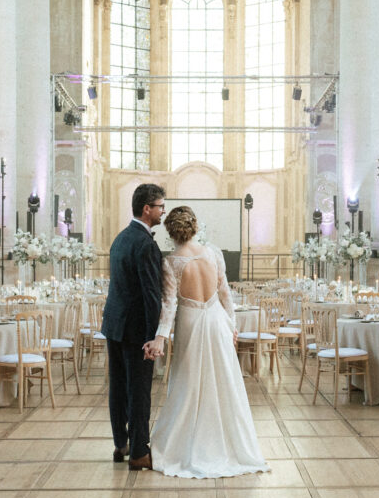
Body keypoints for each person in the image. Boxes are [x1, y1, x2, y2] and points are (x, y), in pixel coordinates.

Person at [144, 206, 269, 479]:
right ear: (195, 227)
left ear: (171, 233)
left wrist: (160, 338)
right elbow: (225, 294)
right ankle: (228, 446)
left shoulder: (171, 262)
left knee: (189, 383)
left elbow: (170, 306)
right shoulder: (213, 254)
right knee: (224, 382)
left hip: (190, 323)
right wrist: (231, 326)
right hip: (217, 322)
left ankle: (185, 445)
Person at [101, 183, 165, 470]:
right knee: (138, 390)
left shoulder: (120, 239)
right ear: (146, 209)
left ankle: (120, 444)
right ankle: (139, 452)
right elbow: (152, 296)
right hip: (136, 330)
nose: (163, 210)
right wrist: (154, 337)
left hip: (114, 325)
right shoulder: (145, 244)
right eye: (160, 206)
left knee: (118, 387)